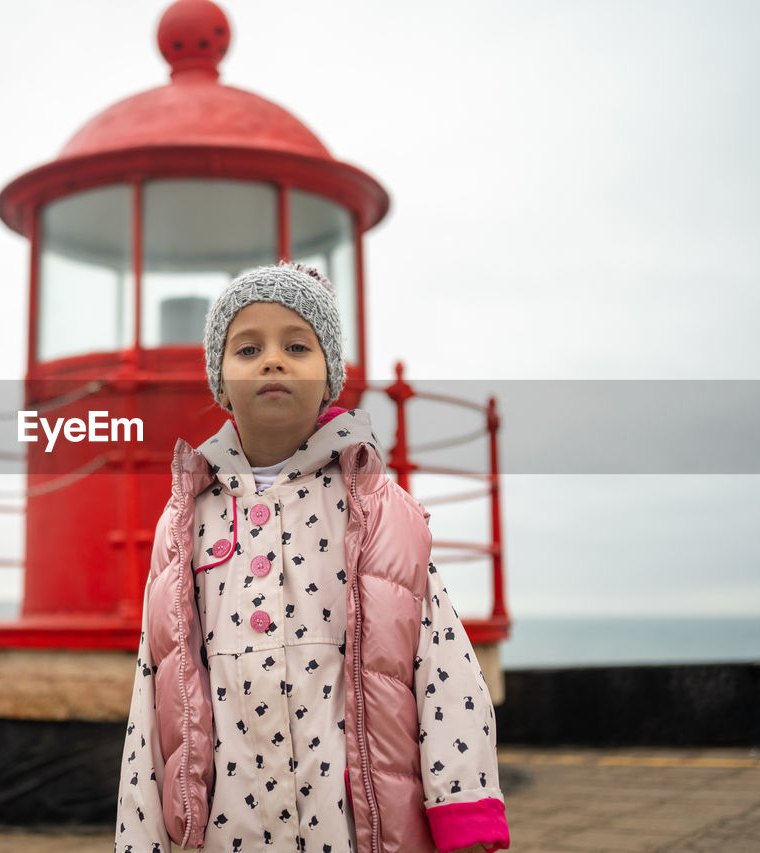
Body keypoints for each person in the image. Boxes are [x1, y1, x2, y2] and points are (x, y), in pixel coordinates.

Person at [115, 262, 510, 852]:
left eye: (297, 345)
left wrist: (465, 813)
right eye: (247, 348)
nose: (272, 360)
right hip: (230, 828)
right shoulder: (185, 521)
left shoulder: (379, 511)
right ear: (219, 382)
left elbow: (444, 667)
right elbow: (157, 682)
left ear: (331, 376)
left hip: (354, 828)